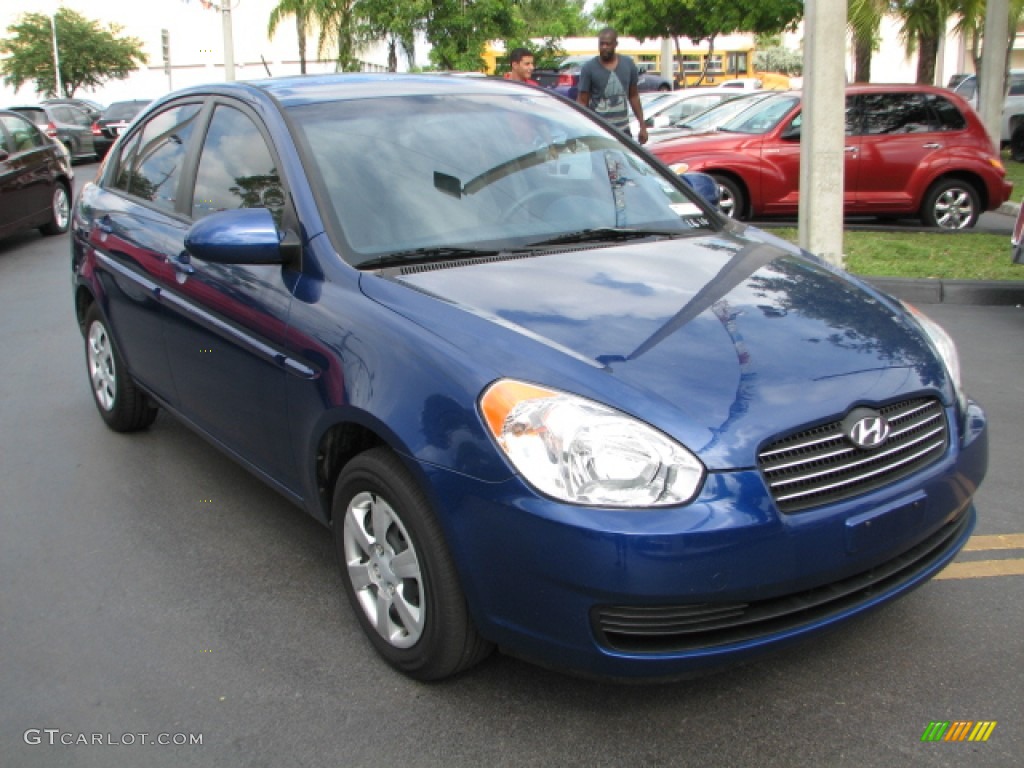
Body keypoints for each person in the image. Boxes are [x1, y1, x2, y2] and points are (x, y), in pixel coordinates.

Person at [577, 28, 648, 144]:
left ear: (615, 44)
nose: (604, 47)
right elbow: (582, 102)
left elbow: (634, 96)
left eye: (608, 44)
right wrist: (581, 131)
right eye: (601, 44)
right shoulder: (589, 68)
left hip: (623, 132)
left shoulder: (628, 64)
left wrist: (642, 126)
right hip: (598, 133)